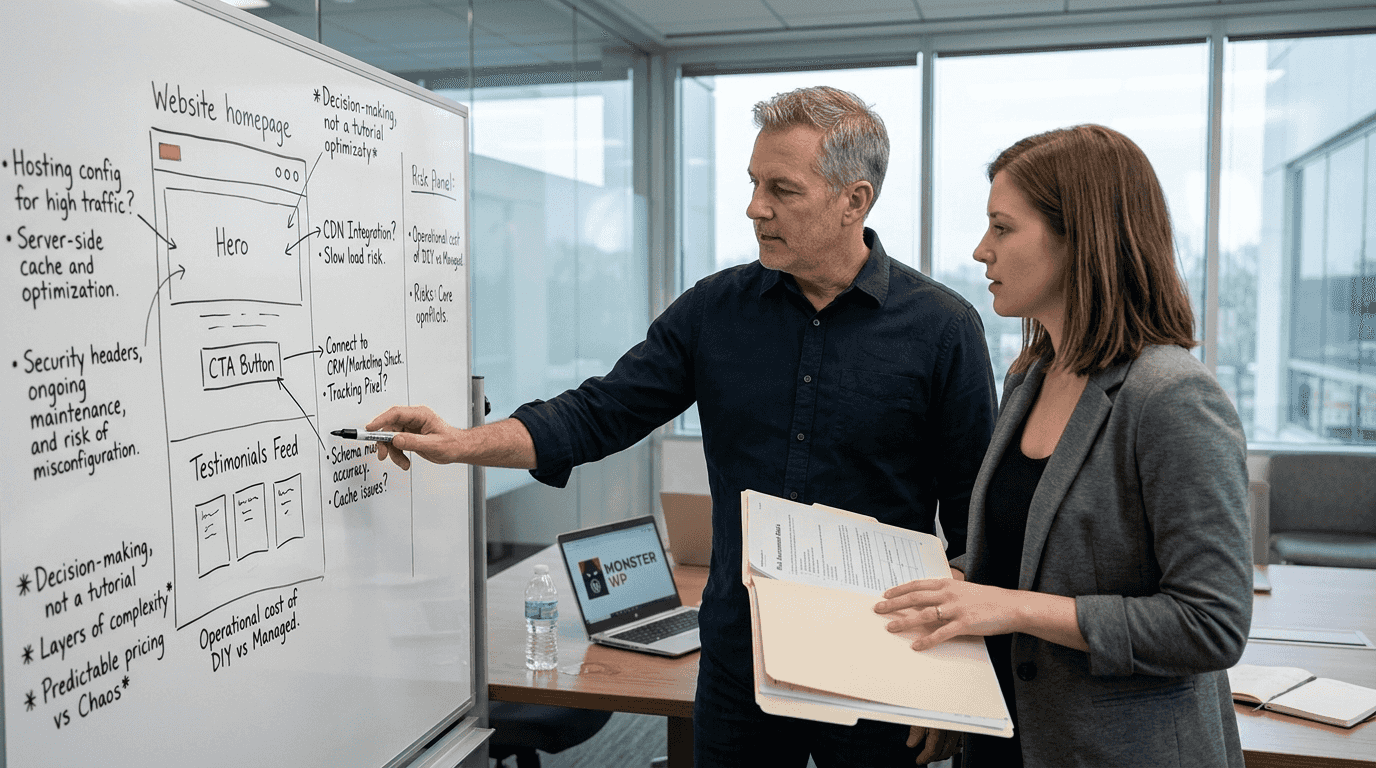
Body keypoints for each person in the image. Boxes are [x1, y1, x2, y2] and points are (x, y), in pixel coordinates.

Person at [367, 86, 997, 767]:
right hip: (740, 661)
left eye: (782, 189)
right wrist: (463, 443)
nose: (755, 207)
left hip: (882, 662)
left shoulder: (943, 330)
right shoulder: (715, 311)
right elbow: (598, 412)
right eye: (754, 183)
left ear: (855, 200)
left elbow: (976, 527)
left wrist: (955, 683)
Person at [874, 124, 1252, 767]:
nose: (980, 250)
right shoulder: (1029, 377)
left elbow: (1209, 624)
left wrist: (1008, 607)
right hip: (1008, 739)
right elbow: (1013, 564)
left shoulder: (1171, 397)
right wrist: (946, 602)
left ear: (1080, 239)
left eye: (1002, 227)